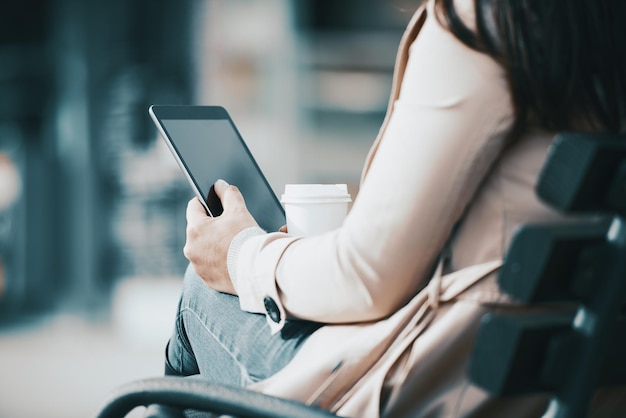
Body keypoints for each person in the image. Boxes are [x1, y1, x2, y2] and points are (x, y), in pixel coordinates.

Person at [163, 0, 626, 416]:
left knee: (203, 290)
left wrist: (242, 255)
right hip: (544, 383)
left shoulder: (483, 23)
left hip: (438, 387)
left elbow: (368, 273)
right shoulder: (593, 28)